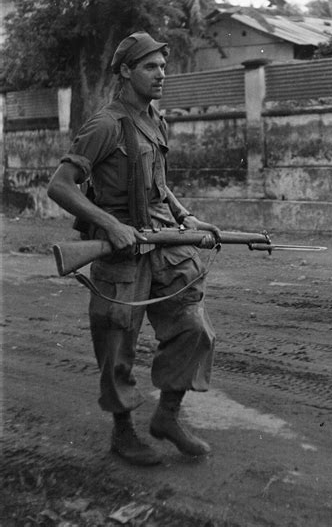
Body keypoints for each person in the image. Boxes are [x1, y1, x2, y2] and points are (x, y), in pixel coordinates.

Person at [47, 31, 221, 466]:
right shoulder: (105, 125)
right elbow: (60, 186)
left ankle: (167, 416)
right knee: (116, 341)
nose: (161, 73)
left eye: (162, 66)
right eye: (150, 66)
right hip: (121, 248)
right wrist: (108, 224)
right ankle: (123, 432)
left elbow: (159, 184)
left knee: (193, 328)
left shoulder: (156, 120)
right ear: (125, 71)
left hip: (163, 240)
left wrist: (186, 218)